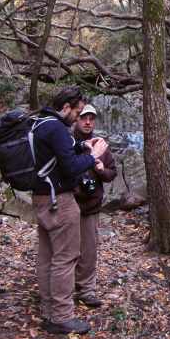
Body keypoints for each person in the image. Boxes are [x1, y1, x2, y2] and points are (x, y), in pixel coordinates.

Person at [32, 86, 108, 335]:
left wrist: (83, 147)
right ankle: (62, 316)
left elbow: (59, 155)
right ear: (66, 107)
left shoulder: (39, 123)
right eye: (77, 112)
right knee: (65, 258)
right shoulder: (56, 127)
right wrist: (94, 154)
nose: (78, 117)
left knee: (47, 257)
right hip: (59, 202)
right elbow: (70, 168)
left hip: (41, 197)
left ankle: (47, 309)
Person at [71, 104, 117, 308]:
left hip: (91, 206)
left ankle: (86, 290)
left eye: (91, 118)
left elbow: (111, 174)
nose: (88, 122)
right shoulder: (67, 142)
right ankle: (64, 288)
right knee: (66, 249)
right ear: (76, 119)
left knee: (88, 251)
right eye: (84, 118)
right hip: (68, 204)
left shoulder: (101, 145)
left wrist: (100, 169)